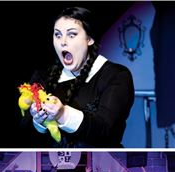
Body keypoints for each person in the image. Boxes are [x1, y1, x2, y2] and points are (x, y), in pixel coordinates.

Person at [23, 6, 134, 148]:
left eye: (71, 35)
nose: (62, 42)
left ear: (90, 39)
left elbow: (106, 130)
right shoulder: (42, 77)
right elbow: (24, 136)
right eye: (57, 35)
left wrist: (62, 114)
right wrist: (39, 122)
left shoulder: (116, 75)